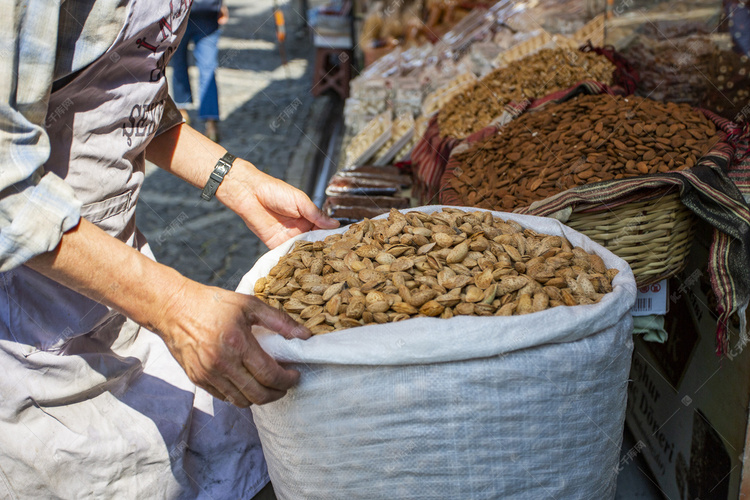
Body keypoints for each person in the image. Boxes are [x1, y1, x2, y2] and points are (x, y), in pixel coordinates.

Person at [0, 0, 338, 498]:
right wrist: (174, 305)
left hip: (122, 302)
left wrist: (232, 178)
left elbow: (124, 91)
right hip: (22, 340)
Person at [171, 0, 228, 142]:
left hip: (178, 13)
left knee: (178, 63)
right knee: (208, 68)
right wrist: (222, 4)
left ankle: (182, 113)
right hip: (207, 12)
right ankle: (211, 123)